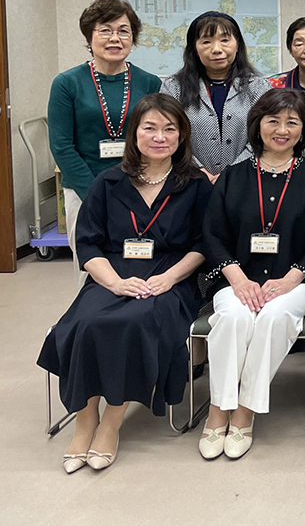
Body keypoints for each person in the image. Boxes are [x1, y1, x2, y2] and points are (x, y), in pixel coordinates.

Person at [38, 93, 210, 473]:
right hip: (112, 275)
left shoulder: (196, 185)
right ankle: (85, 421)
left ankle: (111, 423)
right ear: (134, 133)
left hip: (171, 278)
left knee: (133, 322)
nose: (160, 137)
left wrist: (168, 278)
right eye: (150, 128)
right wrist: (115, 283)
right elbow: (88, 244)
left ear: (182, 136)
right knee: (84, 324)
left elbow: (204, 245)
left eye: (170, 129)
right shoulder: (108, 181)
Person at [197, 89, 305, 460]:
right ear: (257, 126)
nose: (282, 130)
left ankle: (244, 412)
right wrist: (238, 278)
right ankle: (218, 410)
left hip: (299, 279)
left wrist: (292, 278)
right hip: (237, 276)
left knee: (274, 316)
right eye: (273, 121)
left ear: (304, 129)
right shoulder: (233, 176)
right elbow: (212, 233)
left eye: (292, 122)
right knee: (233, 317)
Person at [49, 0, 162, 273]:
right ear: (89, 37)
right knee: (91, 267)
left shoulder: (149, 82)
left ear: (133, 38)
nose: (115, 38)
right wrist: (95, 194)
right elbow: (62, 145)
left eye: (123, 31)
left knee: (139, 263)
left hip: (140, 187)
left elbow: (157, 139)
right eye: (105, 30)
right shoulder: (67, 83)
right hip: (83, 189)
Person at [162, 12, 271, 183]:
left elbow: (265, 136)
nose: (217, 49)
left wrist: (231, 174)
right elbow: (167, 133)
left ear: (237, 45)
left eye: (225, 40)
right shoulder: (174, 87)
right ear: (194, 48)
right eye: (206, 42)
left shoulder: (258, 87)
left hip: (245, 181)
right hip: (188, 180)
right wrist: (198, 171)